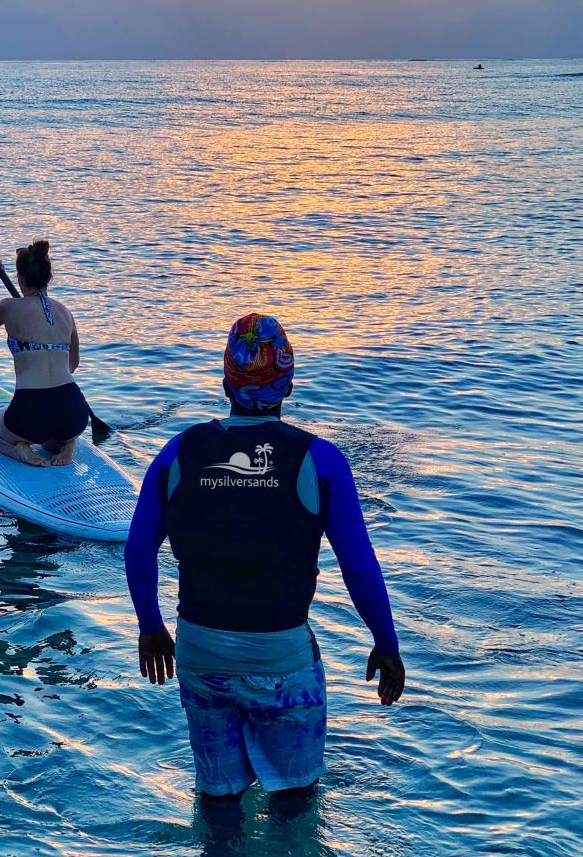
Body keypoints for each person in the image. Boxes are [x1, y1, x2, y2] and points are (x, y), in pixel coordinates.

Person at [124, 313, 405, 817]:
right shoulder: (320, 460)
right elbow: (359, 568)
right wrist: (386, 644)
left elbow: (138, 549)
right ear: (289, 386)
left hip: (198, 648)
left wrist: (151, 627)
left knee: (218, 799)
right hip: (279, 656)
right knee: (294, 801)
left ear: (224, 383)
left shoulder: (178, 452)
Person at [0, 239, 88, 467]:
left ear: (20, 279)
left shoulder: (9, 306)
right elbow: (73, 364)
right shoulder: (65, 312)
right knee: (52, 436)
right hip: (73, 410)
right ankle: (68, 443)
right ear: (48, 278)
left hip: (30, 410)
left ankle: (21, 451)